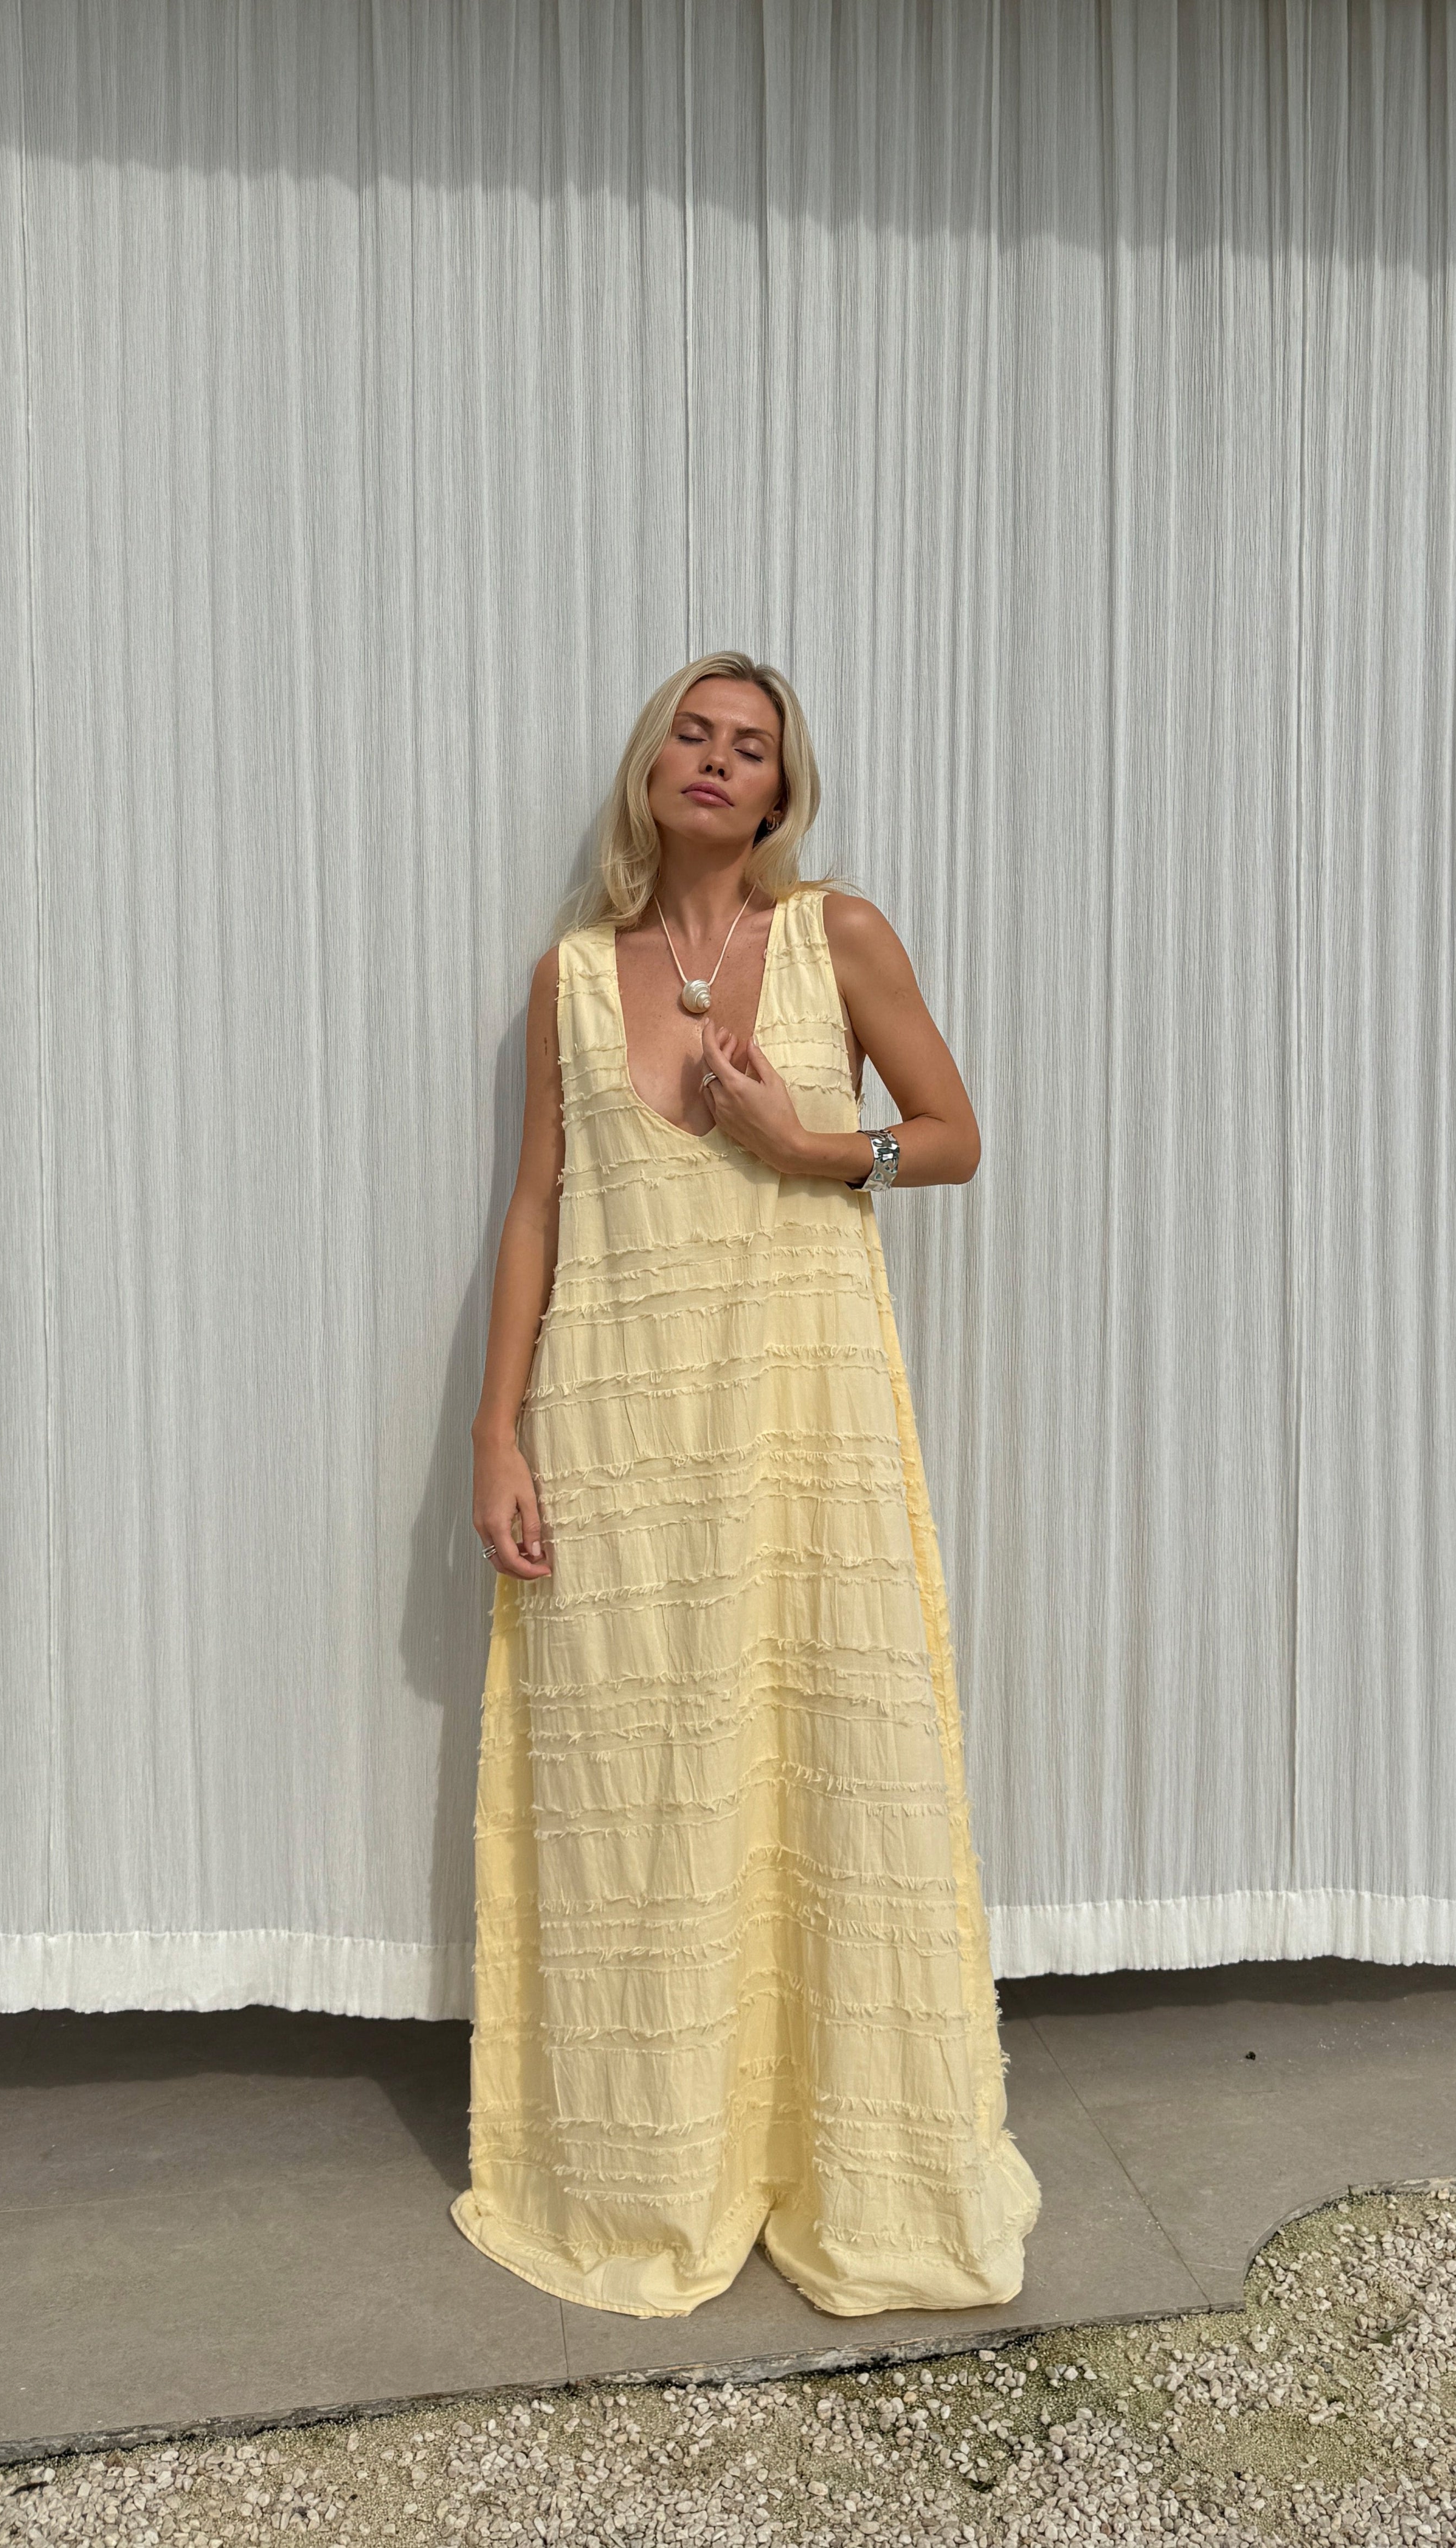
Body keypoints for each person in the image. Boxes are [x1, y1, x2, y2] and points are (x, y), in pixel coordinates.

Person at [450, 649, 1041, 2318]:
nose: (716, 759)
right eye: (692, 735)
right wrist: (496, 1432)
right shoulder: (573, 978)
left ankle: (848, 2159)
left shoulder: (838, 936)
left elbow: (952, 1132)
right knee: (637, 1799)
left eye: (750, 746)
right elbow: (535, 1209)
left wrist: (808, 1148)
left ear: (783, 790)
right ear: (651, 768)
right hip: (617, 1430)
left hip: (801, 1427)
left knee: (824, 1767)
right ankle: (654, 2168)